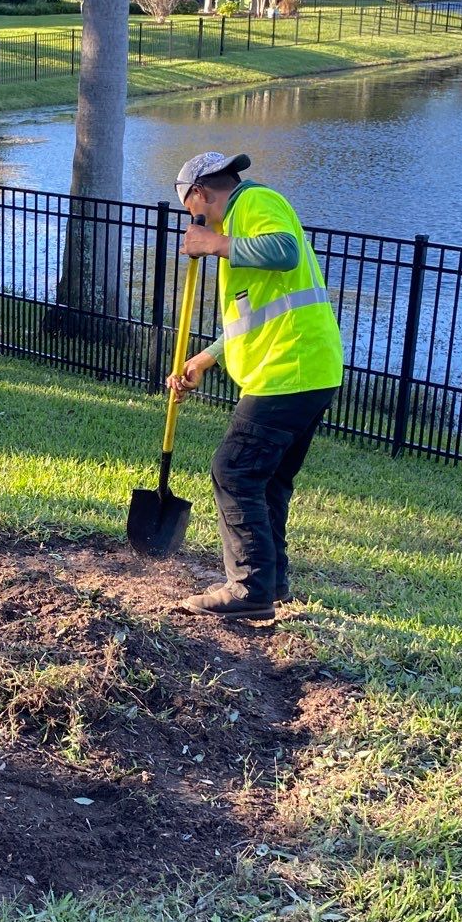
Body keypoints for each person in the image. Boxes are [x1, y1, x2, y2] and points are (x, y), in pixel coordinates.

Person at [166, 150, 344, 620]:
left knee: (234, 470)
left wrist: (211, 244)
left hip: (287, 370)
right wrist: (205, 358)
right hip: (308, 370)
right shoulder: (239, 225)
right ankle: (272, 581)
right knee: (268, 481)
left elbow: (283, 253)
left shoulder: (253, 202)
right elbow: (252, 317)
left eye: (190, 210)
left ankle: (248, 589)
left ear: (200, 195)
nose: (193, 221)